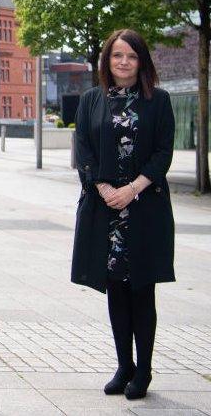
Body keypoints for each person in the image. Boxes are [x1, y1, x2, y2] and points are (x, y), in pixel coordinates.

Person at [73, 29, 175, 400]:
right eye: (117, 55)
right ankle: (124, 366)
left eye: (131, 56)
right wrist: (103, 188)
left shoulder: (159, 101)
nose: (124, 62)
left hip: (145, 208)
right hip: (106, 210)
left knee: (142, 290)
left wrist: (132, 189)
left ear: (141, 61)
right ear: (107, 60)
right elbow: (82, 149)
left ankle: (144, 370)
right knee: (114, 289)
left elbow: (163, 152)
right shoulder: (91, 101)